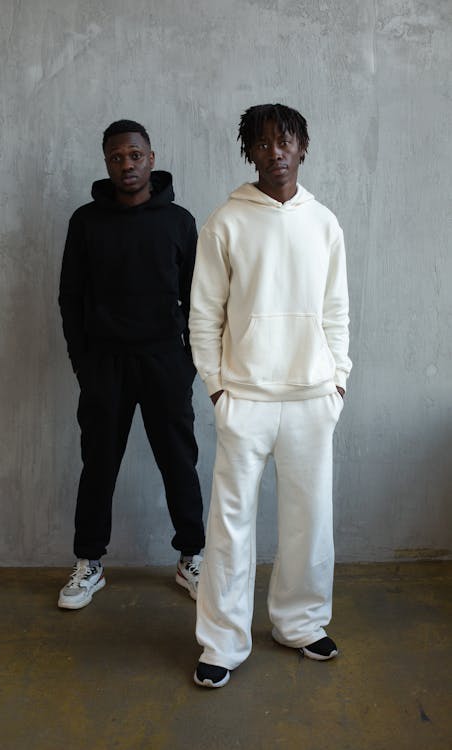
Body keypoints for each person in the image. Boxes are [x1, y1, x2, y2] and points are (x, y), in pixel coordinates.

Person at [189, 103, 352, 687]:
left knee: (311, 520)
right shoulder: (225, 222)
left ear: (302, 146)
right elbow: (204, 314)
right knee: (230, 525)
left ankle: (302, 623)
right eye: (262, 144)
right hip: (246, 398)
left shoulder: (323, 222)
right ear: (249, 153)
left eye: (285, 141)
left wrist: (338, 381)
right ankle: (221, 643)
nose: (275, 152)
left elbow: (336, 310)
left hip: (312, 396)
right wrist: (217, 388)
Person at [58, 119, 205, 609]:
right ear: (107, 163)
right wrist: (84, 364)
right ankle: (89, 564)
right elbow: (70, 297)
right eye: (117, 157)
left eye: (135, 155)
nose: (127, 164)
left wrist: (187, 364)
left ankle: (192, 557)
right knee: (98, 464)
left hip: (165, 361)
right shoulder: (86, 222)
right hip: (105, 365)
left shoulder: (180, 222)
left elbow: (199, 300)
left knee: (179, 462)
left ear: (152, 157)